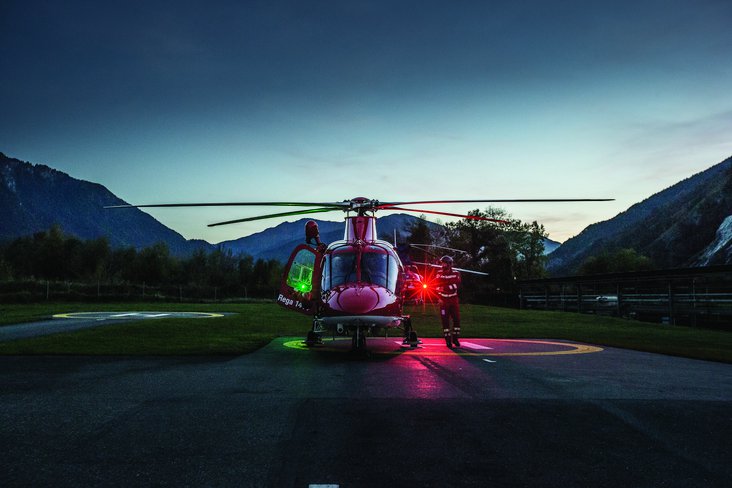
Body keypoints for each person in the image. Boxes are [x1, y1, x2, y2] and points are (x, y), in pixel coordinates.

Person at [435, 255, 461, 348]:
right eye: (442, 263)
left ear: (449, 264)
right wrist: (439, 296)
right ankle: (448, 340)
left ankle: (455, 338)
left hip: (453, 300)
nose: (442, 265)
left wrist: (444, 287)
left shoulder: (456, 273)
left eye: (444, 263)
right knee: (445, 321)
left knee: (457, 320)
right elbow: (436, 286)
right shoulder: (439, 273)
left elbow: (456, 285)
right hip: (443, 301)